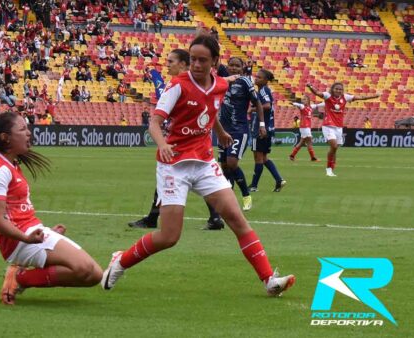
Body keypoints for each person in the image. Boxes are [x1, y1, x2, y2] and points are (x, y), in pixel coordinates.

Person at [105, 35, 295, 297]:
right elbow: (154, 122)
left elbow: (211, 109)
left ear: (214, 61)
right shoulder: (177, 86)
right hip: (174, 165)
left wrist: (221, 131)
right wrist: (162, 144)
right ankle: (120, 261)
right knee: (170, 236)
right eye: (193, 59)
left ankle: (269, 280)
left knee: (237, 219)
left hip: (204, 163)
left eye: (202, 60)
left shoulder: (218, 84)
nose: (195, 64)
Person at [0, 112, 103, 305]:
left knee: (94, 275)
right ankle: (19, 278)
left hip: (30, 232)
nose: (28, 133)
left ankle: (20, 276)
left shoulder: (9, 163)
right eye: (22, 129)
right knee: (84, 270)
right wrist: (26, 238)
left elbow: (18, 210)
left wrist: (46, 231)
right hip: (18, 240)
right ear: (5, 138)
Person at [128, 49, 223, 230]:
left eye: (171, 61)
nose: (167, 64)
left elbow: (209, 109)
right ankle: (214, 217)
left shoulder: (190, 84)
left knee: (199, 177)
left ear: (182, 64)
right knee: (176, 178)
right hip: (182, 139)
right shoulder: (178, 84)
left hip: (191, 141)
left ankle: (214, 217)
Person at [217, 56, 264, 213]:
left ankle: (246, 195)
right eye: (231, 65)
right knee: (224, 166)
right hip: (223, 129)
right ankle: (229, 199)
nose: (234, 68)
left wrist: (262, 124)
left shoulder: (245, 82)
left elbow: (257, 102)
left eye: (237, 66)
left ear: (243, 67)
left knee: (232, 163)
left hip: (239, 129)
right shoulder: (223, 80)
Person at [307, 82, 380, 176]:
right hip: (328, 126)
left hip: (338, 127)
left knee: (335, 148)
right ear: (333, 89)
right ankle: (329, 169)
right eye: (336, 89)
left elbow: (361, 98)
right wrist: (310, 87)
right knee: (333, 146)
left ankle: (332, 167)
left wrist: (374, 96)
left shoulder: (345, 97)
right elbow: (317, 93)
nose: (338, 91)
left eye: (340, 89)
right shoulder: (327, 96)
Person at [248, 69, 286, 192]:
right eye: (256, 76)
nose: (256, 78)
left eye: (259, 77)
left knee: (258, 158)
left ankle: (253, 186)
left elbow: (267, 105)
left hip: (260, 129)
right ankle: (279, 180)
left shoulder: (264, 90)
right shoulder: (263, 90)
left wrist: (251, 109)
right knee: (264, 158)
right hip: (267, 128)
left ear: (265, 80)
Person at [289, 96, 323, 161]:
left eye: (304, 99)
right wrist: (293, 103)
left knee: (302, 142)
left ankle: (292, 155)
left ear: (308, 100)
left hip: (306, 127)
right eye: (302, 99)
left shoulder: (311, 107)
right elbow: (298, 104)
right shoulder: (302, 106)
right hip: (304, 126)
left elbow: (318, 105)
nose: (303, 100)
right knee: (309, 140)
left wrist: (327, 102)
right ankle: (313, 157)